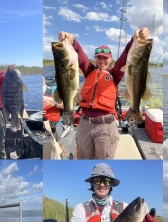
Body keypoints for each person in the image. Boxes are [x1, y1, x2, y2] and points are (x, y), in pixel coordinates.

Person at [58, 28, 150, 159]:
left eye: (105, 58)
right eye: (99, 58)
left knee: (104, 159)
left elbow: (124, 59)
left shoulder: (114, 74)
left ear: (110, 59)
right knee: (83, 159)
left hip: (105, 125)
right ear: (95, 59)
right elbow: (82, 57)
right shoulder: (89, 71)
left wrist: (134, 40)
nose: (102, 61)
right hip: (85, 124)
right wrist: (72, 41)